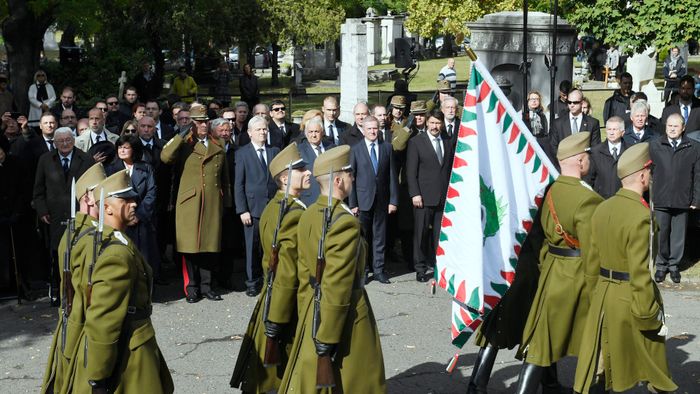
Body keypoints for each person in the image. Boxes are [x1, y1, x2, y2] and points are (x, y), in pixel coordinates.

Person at [278, 145, 386, 393]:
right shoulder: (345, 223)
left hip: (312, 309)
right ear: (338, 180)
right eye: (349, 173)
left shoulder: (309, 214)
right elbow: (337, 286)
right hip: (342, 317)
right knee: (358, 382)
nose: (353, 177)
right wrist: (327, 338)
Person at [573, 143, 677, 394]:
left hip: (602, 296)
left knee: (601, 366)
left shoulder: (602, 208)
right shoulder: (641, 216)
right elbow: (641, 273)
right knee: (655, 371)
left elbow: (591, 262)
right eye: (649, 172)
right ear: (642, 175)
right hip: (631, 298)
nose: (650, 176)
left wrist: (595, 297)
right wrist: (647, 314)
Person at [68, 170, 174, 393]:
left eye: (133, 198)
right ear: (106, 207)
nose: (134, 203)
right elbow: (104, 321)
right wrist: (98, 376)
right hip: (130, 356)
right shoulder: (116, 255)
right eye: (125, 200)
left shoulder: (117, 242)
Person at [515, 132, 603, 393]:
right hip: (575, 275)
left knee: (544, 338)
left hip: (552, 267)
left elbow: (542, 233)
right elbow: (593, 250)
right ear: (578, 160)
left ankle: (548, 385)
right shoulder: (588, 198)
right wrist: (596, 288)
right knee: (594, 339)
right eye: (586, 155)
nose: (589, 160)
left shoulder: (550, 189)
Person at [230, 143, 311, 392]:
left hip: (274, 298)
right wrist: (277, 317)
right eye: (300, 169)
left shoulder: (274, 207)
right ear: (285, 179)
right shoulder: (293, 213)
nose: (307, 172)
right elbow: (285, 271)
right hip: (284, 303)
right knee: (278, 377)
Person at [41, 162, 106, 394]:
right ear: (88, 198)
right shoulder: (87, 239)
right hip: (81, 326)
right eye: (102, 190)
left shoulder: (79, 232)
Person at [161, 103, 232, 302]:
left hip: (211, 201)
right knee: (190, 247)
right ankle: (191, 287)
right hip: (189, 202)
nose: (202, 125)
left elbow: (224, 177)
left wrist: (226, 202)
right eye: (198, 122)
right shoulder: (184, 143)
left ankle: (207, 286)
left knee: (209, 246)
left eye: (204, 121)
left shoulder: (217, 142)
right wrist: (181, 134)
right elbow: (165, 157)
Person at [33, 127, 93, 305]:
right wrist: (42, 211)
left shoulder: (86, 159)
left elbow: (93, 188)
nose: (65, 143)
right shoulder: (45, 160)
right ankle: (59, 293)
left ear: (73, 140)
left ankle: (78, 294)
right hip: (55, 218)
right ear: (55, 143)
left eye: (68, 140)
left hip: (80, 217)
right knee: (57, 257)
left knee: (79, 255)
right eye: (61, 141)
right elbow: (38, 190)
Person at [650, 113, 700, 284]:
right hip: (661, 198)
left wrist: (696, 199)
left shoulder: (693, 147)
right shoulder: (655, 145)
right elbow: (649, 173)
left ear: (683, 128)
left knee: (678, 236)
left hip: (682, 198)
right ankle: (661, 265)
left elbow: (698, 175)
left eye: (675, 126)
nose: (672, 129)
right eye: (669, 126)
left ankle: (674, 266)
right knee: (661, 234)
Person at [406, 110, 455, 282]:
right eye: (432, 123)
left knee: (440, 236)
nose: (435, 127)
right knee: (420, 235)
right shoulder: (416, 142)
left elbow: (449, 168)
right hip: (423, 198)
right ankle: (420, 269)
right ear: (427, 122)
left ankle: (439, 267)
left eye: (438, 123)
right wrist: (415, 194)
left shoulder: (448, 141)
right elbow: (411, 172)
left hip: (443, 197)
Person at [349, 115, 398, 284]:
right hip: (363, 201)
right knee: (363, 238)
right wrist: (353, 203)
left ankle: (379, 269)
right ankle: (363, 271)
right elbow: (352, 178)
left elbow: (392, 176)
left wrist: (393, 200)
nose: (372, 131)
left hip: (382, 201)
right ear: (363, 130)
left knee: (380, 236)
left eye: (375, 128)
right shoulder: (355, 150)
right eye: (369, 128)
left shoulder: (387, 148)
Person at [235, 115, 279, 296]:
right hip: (252, 209)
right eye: (259, 130)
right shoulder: (242, 153)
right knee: (253, 248)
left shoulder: (275, 151)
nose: (263, 132)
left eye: (265, 129)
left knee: (271, 246)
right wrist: (242, 209)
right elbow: (239, 184)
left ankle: (270, 279)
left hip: (273, 207)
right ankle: (252, 282)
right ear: (250, 133)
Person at [107, 134, 160, 281]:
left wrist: (139, 215)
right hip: (119, 221)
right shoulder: (110, 169)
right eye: (120, 147)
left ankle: (145, 291)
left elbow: (151, 192)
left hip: (141, 220)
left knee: (144, 258)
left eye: (126, 147)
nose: (122, 150)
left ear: (134, 150)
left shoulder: (145, 168)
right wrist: (125, 216)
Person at [550, 89, 601, 154]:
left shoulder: (592, 123)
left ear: (582, 103)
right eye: (569, 102)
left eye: (575, 102)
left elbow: (595, 148)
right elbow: (553, 147)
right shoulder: (558, 123)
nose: (572, 105)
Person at [298, 117, 335, 206]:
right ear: (306, 133)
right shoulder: (299, 150)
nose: (313, 135)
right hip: (308, 199)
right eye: (310, 132)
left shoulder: (332, 148)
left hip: (330, 198)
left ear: (322, 132)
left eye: (316, 131)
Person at [589, 116, 627, 198]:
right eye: (609, 129)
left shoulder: (629, 151)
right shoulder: (595, 152)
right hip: (601, 200)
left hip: (623, 199)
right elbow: (589, 179)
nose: (611, 133)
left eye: (615, 129)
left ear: (622, 132)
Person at [523, 90, 553, 161]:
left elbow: (545, 131)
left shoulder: (543, 115)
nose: (534, 101)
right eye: (532, 99)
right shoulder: (523, 115)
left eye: (536, 99)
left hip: (541, 145)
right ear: (528, 101)